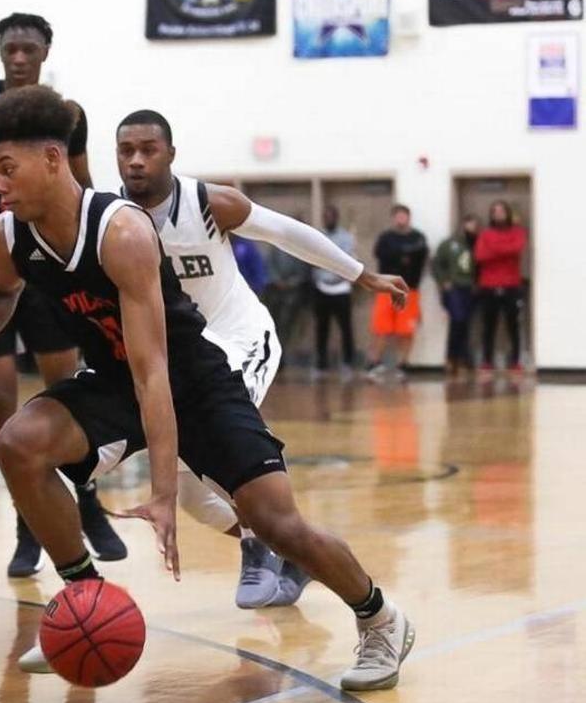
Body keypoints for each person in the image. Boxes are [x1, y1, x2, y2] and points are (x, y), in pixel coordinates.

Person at [0, 86, 413, 691]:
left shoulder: (121, 232)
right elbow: (0, 288)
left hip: (193, 376)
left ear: (53, 159)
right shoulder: (5, 235)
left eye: (7, 170)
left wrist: (164, 492)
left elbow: (154, 371)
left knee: (275, 523)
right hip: (115, 380)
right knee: (17, 443)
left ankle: (381, 619)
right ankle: (85, 602)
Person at [111, 110, 405, 611]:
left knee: (226, 436)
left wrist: (362, 276)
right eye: (126, 151)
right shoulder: (111, 218)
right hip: (181, 356)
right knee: (192, 498)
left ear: (171, 154)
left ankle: (257, 542)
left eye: (148, 149)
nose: (136, 161)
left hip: (241, 336)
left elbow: (286, 233)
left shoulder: (207, 203)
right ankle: (288, 550)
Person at [0, 12, 123, 577]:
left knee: (68, 388)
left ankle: (87, 503)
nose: (17, 57)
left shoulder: (64, 116)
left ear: (44, 52)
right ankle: (25, 520)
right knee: (1, 396)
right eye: (9, 47)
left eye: (27, 48)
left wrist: (98, 245)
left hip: (50, 260)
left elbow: (83, 185)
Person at [365, 205, 428, 381]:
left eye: (404, 216)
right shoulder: (386, 237)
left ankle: (403, 364)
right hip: (386, 289)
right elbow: (381, 255)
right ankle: (374, 363)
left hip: (410, 290)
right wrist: (402, 255)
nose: (401, 219)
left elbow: (420, 257)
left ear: (409, 217)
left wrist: (403, 256)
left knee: (406, 330)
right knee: (381, 328)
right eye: (398, 216)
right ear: (393, 218)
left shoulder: (418, 237)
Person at [475, 200, 527, 375]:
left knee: (513, 325)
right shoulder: (485, 234)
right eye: (495, 211)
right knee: (489, 325)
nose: (498, 214)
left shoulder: (518, 232)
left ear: (508, 213)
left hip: (512, 285)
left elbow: (517, 248)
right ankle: (487, 361)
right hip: (488, 285)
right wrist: (504, 250)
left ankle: (515, 361)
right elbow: (480, 256)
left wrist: (495, 249)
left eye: (501, 210)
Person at [313, 205, 358, 375]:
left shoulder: (346, 237)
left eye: (331, 216)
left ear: (337, 218)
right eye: (326, 216)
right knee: (321, 327)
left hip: (341, 288)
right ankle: (321, 362)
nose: (328, 219)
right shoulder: (317, 236)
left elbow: (347, 259)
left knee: (346, 327)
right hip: (321, 287)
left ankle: (348, 361)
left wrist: (337, 276)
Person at [432, 214, 479, 375]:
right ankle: (452, 357)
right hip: (454, 288)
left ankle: (464, 357)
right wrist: (443, 281)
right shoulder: (449, 244)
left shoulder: (477, 244)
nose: (471, 227)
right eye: (468, 223)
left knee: (466, 323)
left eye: (474, 224)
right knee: (457, 320)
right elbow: (437, 263)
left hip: (470, 288)